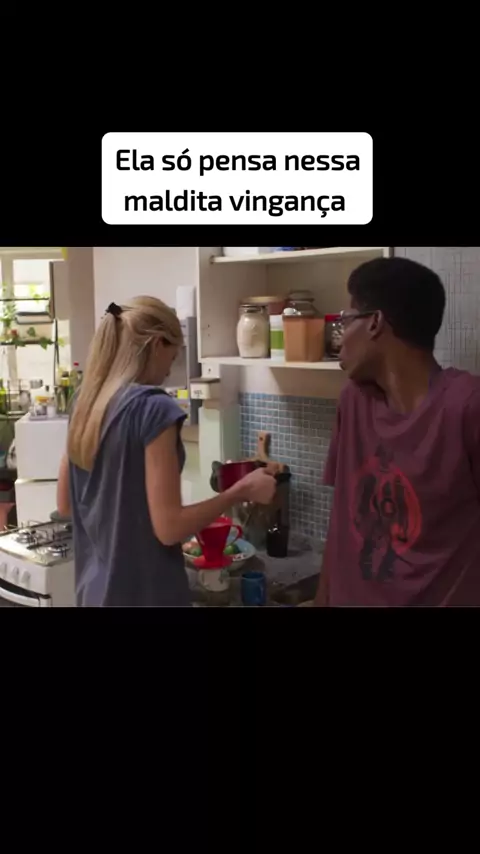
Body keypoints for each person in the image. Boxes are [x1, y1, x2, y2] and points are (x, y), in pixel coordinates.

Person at [57, 296, 276, 607]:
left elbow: (66, 505)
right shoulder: (154, 408)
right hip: (145, 597)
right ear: (158, 344)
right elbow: (170, 528)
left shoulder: (86, 401)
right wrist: (240, 491)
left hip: (93, 594)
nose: (167, 373)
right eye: (173, 359)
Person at [315, 256, 480, 607]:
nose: (340, 338)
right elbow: (341, 521)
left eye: (347, 319)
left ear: (375, 323)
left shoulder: (466, 407)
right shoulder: (353, 400)